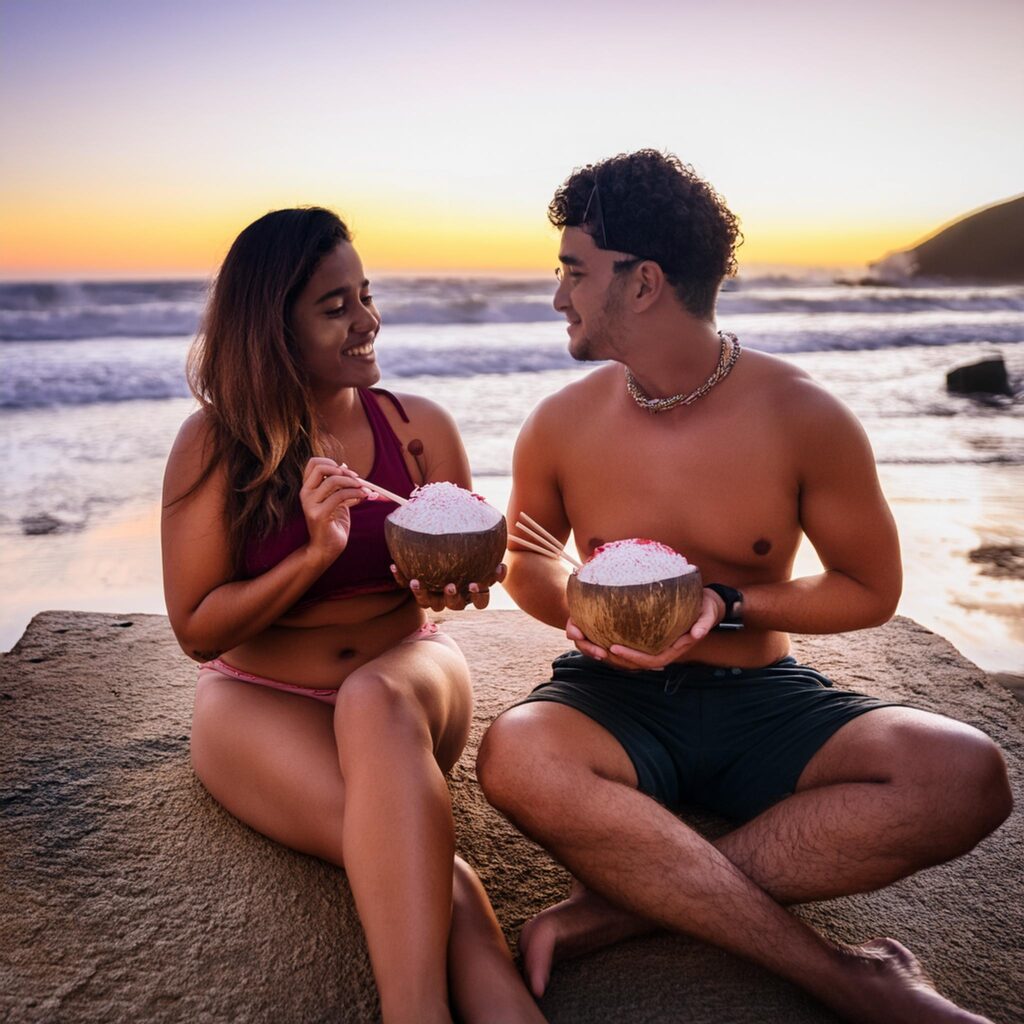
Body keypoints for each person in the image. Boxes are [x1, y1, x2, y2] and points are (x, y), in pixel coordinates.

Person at [475, 152, 1012, 1023]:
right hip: (611, 704)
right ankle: (847, 978)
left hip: (762, 700)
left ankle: (617, 908)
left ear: (643, 282)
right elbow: (528, 558)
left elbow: (869, 587)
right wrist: (576, 604)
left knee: (967, 774)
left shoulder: (803, 415)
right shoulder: (561, 422)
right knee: (517, 754)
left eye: (575, 272)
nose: (557, 297)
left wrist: (730, 605)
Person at [161, 208, 545, 1024]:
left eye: (365, 296)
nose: (369, 321)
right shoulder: (213, 446)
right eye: (336, 307)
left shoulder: (417, 430)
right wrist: (313, 554)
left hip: (407, 671)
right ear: (272, 329)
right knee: (432, 872)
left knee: (375, 699)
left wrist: (462, 580)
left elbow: (463, 577)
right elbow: (197, 628)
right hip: (259, 695)